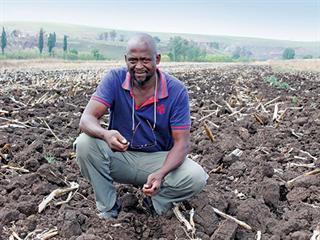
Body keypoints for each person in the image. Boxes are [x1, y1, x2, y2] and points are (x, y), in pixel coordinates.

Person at [75, 33, 208, 219]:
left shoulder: (176, 90)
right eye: (133, 60)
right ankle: (109, 209)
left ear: (158, 59)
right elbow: (86, 119)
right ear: (125, 60)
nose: (138, 66)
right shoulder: (114, 79)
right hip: (121, 155)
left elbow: (182, 144)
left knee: (196, 176)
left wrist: (161, 174)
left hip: (157, 160)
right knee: (84, 144)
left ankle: (155, 204)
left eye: (145, 60)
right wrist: (105, 134)